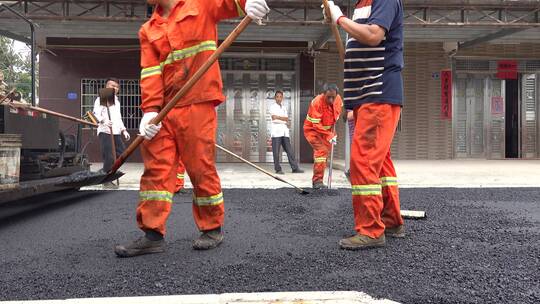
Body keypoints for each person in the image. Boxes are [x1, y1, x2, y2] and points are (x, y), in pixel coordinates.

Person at [114, 0, 270, 257]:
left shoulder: (201, 4)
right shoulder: (148, 30)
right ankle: (152, 234)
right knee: (156, 171)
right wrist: (150, 110)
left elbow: (232, 5)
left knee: (199, 167)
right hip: (164, 110)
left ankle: (212, 228)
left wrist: (247, 2)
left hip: (197, 101)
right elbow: (150, 72)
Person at [325, 0, 405, 250]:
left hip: (377, 92)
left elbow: (372, 36)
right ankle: (390, 221)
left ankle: (371, 230)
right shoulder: (363, 4)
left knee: (364, 161)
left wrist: (340, 19)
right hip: (366, 96)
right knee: (380, 163)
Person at [303, 84, 342, 189]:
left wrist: (333, 133)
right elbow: (316, 125)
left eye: (333, 97)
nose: (330, 100)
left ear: (336, 95)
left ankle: (319, 180)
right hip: (312, 130)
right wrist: (330, 135)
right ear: (323, 94)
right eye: (328, 97)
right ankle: (317, 182)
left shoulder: (338, 100)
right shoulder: (316, 102)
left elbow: (335, 118)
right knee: (321, 151)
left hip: (326, 131)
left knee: (325, 154)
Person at [92, 77, 130, 188]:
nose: (115, 88)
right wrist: (103, 120)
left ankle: (104, 172)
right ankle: (106, 181)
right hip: (105, 131)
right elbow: (95, 114)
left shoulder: (116, 101)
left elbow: (118, 117)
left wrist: (124, 129)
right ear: (106, 87)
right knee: (109, 157)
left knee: (122, 154)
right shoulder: (101, 98)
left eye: (117, 87)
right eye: (112, 86)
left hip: (116, 131)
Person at [269, 90, 303, 175]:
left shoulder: (284, 107)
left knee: (289, 150)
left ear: (282, 98)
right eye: (277, 97)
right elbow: (274, 118)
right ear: (275, 98)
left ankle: (295, 168)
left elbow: (286, 119)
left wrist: (282, 119)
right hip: (276, 133)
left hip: (284, 132)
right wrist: (283, 119)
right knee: (276, 152)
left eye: (280, 97)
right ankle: (278, 169)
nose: (279, 98)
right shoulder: (272, 107)